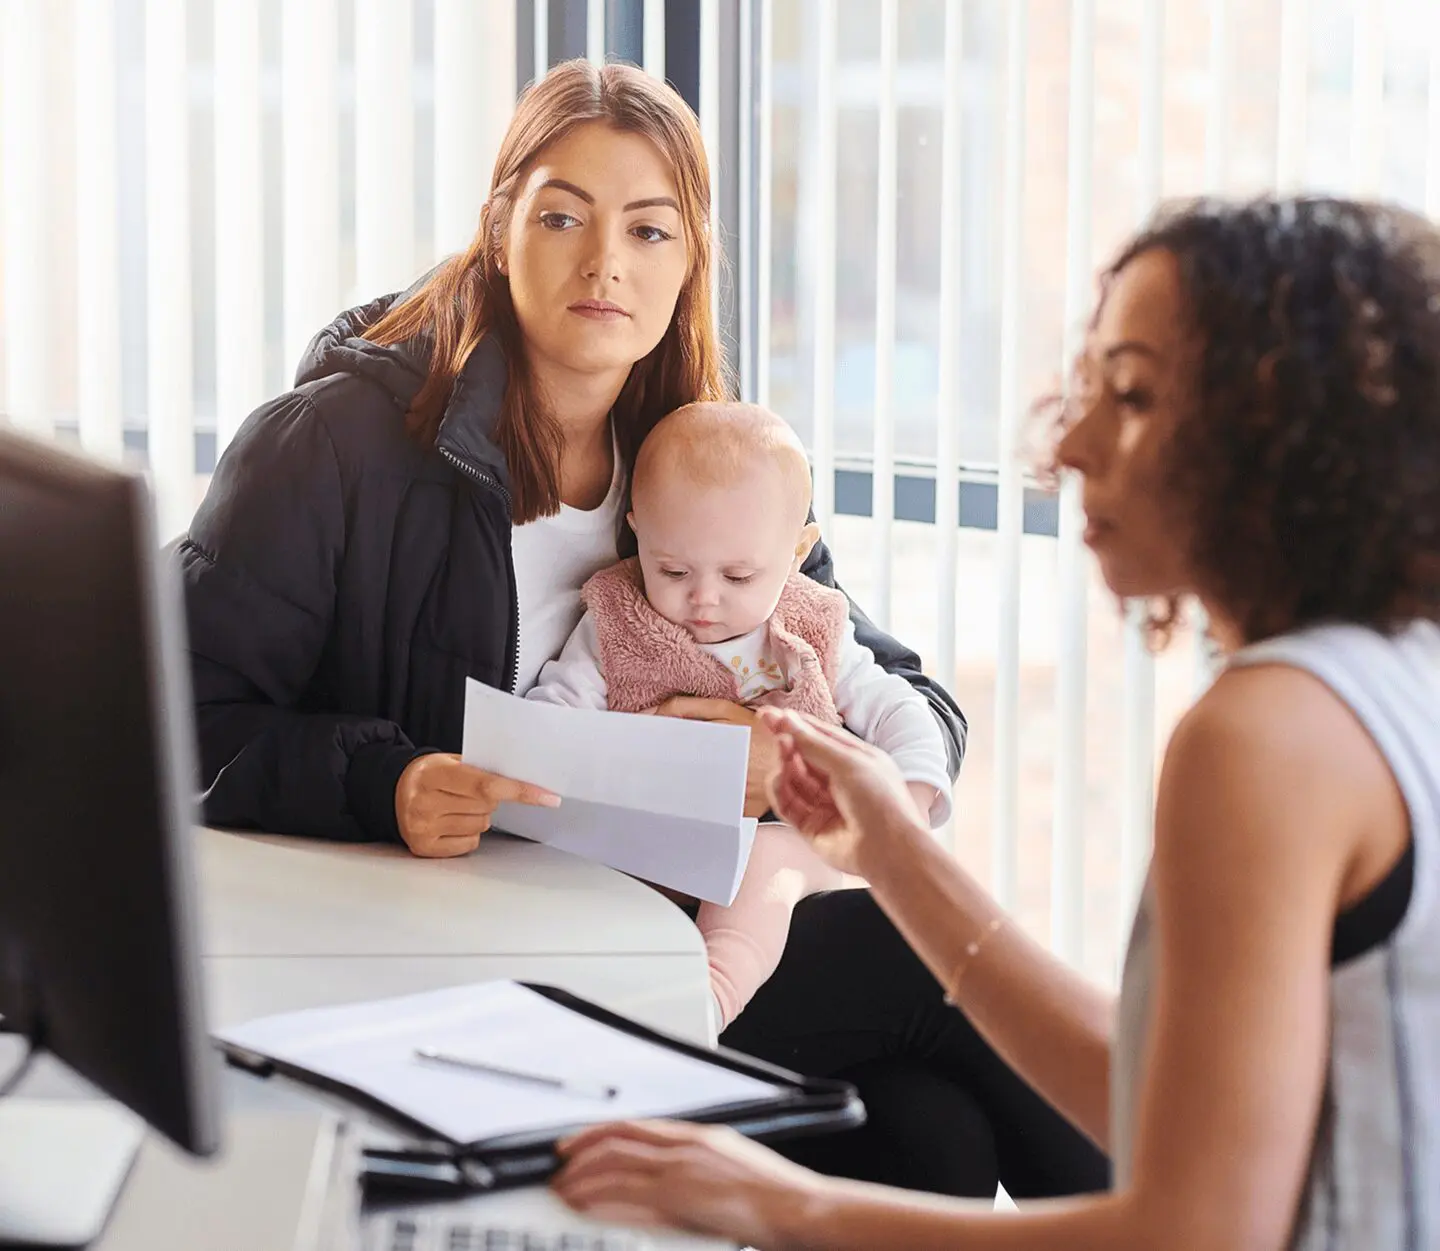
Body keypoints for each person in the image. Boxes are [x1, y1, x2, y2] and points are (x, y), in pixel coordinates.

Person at [178, 58, 1102, 1201]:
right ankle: (1212, 1215)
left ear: (690, 261)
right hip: (449, 965)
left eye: (650, 230)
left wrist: (786, 763)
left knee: (926, 1134)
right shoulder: (330, 450)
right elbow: (172, 724)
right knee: (919, 969)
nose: (606, 261)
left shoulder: (696, 456)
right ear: (499, 227)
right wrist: (390, 781)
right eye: (563, 214)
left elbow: (897, 688)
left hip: (651, 937)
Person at [552, 195, 1440, 1250]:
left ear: (1280, 442)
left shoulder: (1265, 739)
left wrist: (774, 1204)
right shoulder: (1390, 672)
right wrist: (886, 843)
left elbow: (1201, 1232)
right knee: (930, 1133)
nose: (1066, 440)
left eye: (1136, 395)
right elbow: (1176, 1102)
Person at [527, 401, 952, 1030]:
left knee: (765, 864)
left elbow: (900, 709)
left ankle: (711, 997)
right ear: (637, 530)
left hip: (788, 845)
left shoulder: (810, 625)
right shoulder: (617, 619)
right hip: (649, 851)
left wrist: (908, 800)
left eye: (738, 574)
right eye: (672, 569)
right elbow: (556, 714)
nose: (703, 598)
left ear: (797, 550)